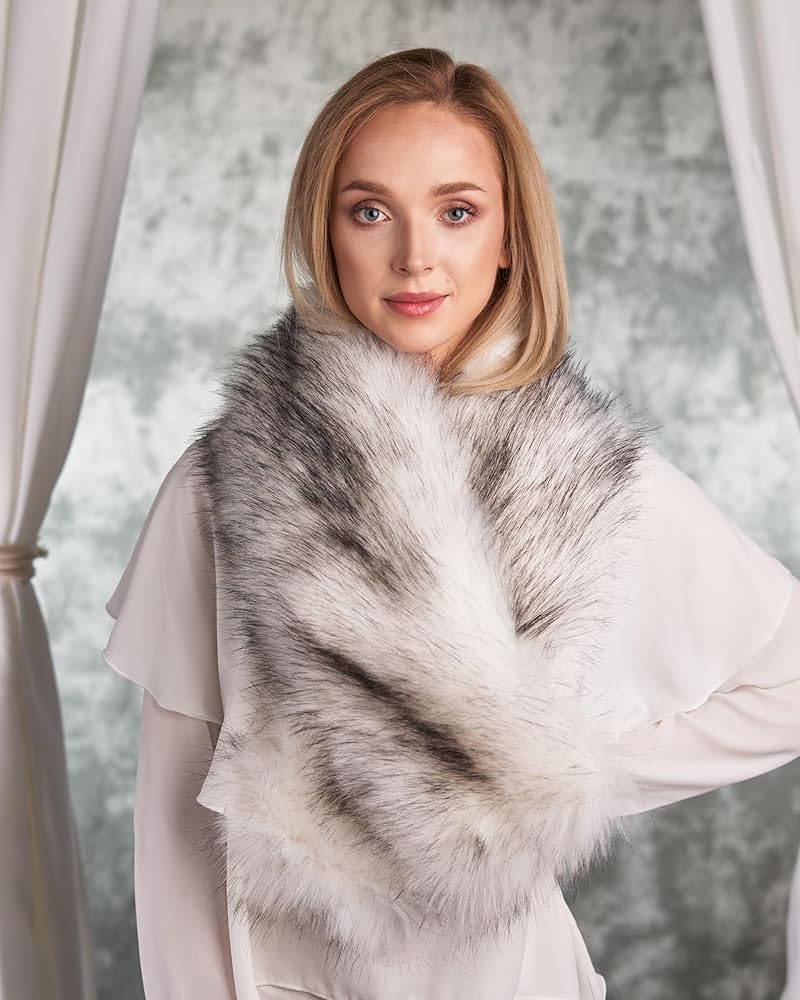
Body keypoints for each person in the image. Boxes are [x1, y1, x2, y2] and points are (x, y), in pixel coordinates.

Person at [102, 46, 800, 1000]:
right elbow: (174, 817)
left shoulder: (589, 479)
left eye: (457, 212)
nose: (415, 256)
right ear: (325, 232)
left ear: (509, 237)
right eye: (370, 211)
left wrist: (548, 780)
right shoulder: (222, 478)